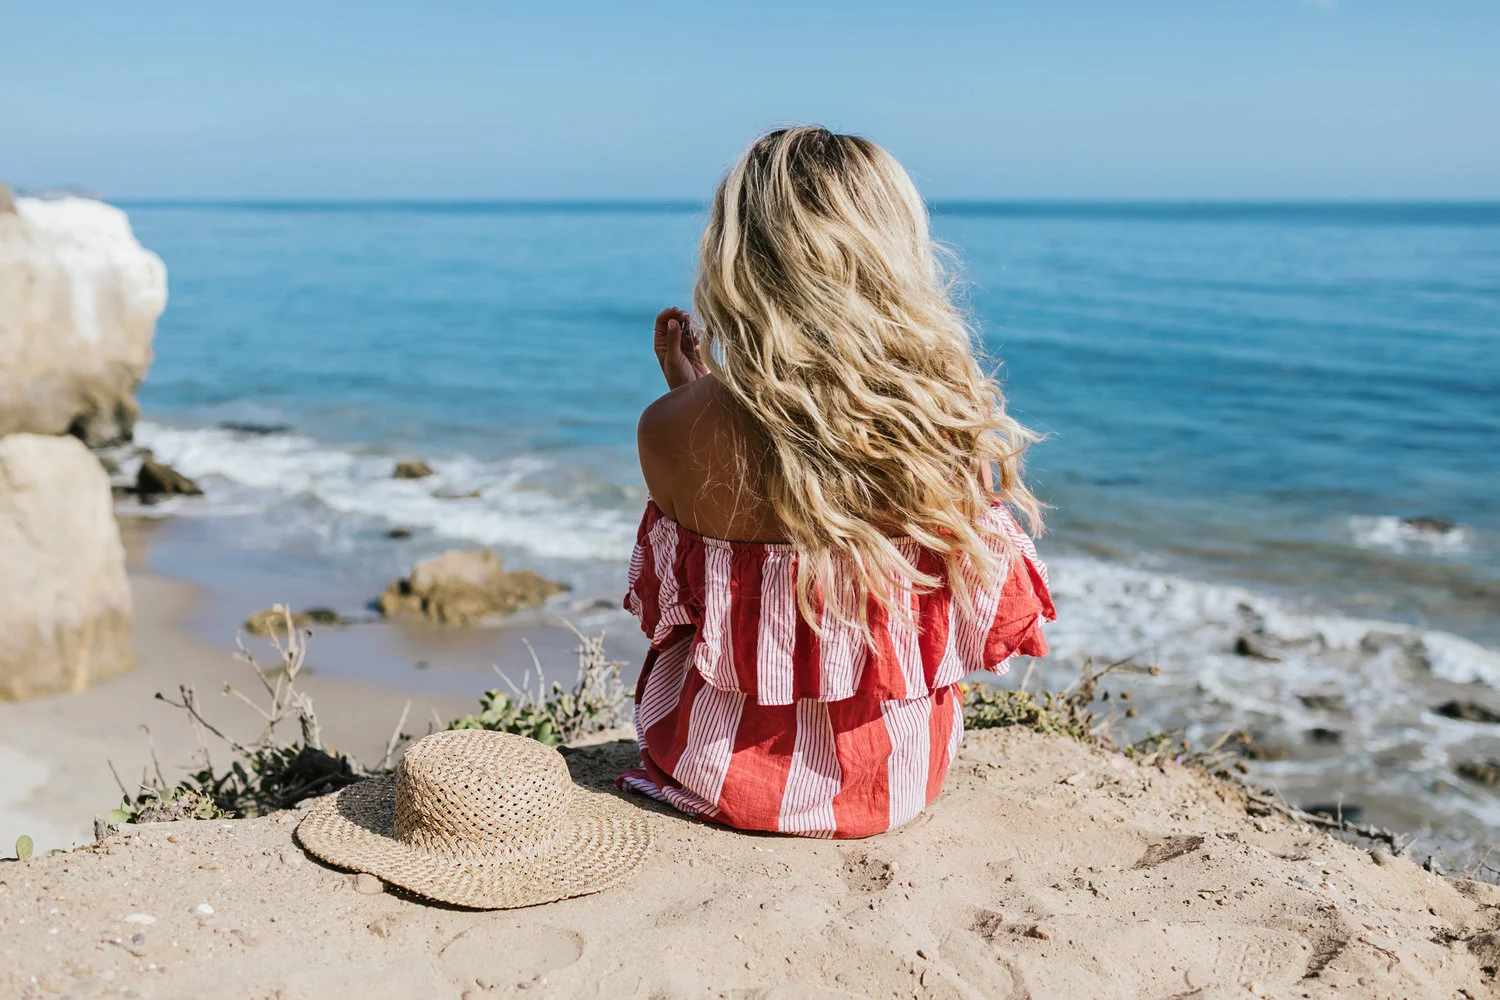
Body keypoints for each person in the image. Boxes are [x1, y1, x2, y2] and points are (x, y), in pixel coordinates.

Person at [617, 126, 1055, 839]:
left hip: (711, 769)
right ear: (893, 251)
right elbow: (987, 617)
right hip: (898, 781)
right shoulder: (938, 427)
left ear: (738, 256)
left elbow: (681, 620)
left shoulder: (666, 428)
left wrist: (688, 399)